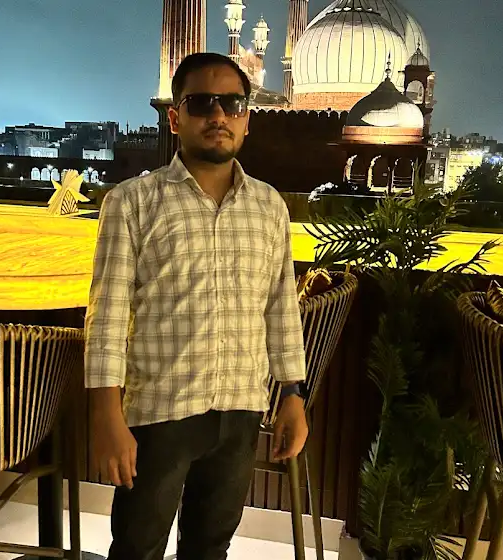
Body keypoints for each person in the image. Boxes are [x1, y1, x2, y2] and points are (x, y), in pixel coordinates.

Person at [85, 52, 308, 560]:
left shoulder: (269, 207)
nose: (218, 116)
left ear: (247, 118)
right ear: (175, 117)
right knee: (137, 547)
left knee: (210, 547)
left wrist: (293, 394)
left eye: (232, 104)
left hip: (241, 409)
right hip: (160, 410)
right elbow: (107, 316)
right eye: (202, 103)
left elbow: (280, 309)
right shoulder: (133, 202)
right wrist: (106, 415)